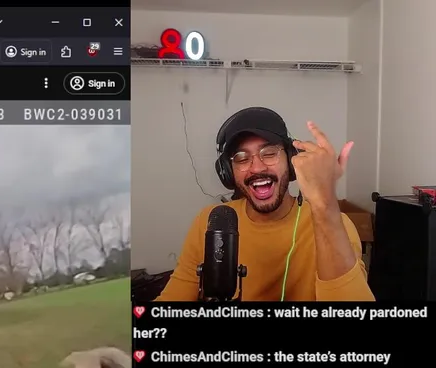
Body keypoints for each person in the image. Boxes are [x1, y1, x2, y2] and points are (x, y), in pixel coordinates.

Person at [155, 107, 374, 302]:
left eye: (269, 153)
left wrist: (325, 204)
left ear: (290, 160)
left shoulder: (335, 225)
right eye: (242, 158)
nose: (257, 168)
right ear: (227, 172)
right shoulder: (212, 221)